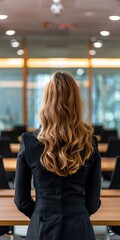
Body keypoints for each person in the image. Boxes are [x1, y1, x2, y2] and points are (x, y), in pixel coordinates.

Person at [14, 71, 101, 240]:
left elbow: (21, 200)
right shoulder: (90, 142)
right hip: (79, 227)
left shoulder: (28, 141)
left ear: (46, 102)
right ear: (76, 102)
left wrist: (40, 213)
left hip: (41, 228)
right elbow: (92, 203)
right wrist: (78, 213)